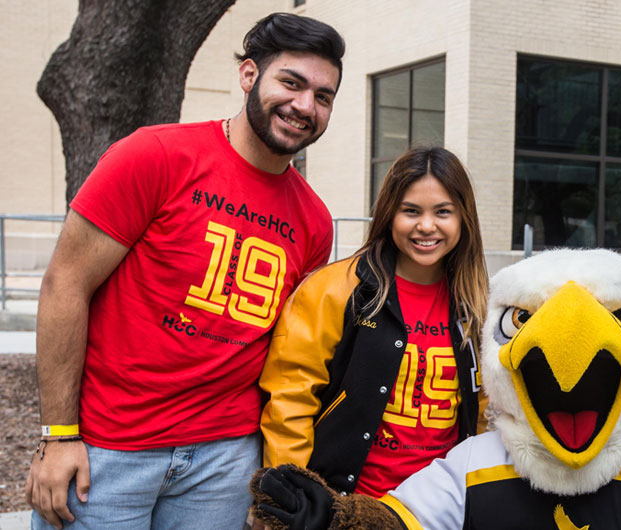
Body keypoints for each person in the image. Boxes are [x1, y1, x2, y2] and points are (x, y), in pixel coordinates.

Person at [24, 13, 344, 530]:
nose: (304, 106)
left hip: (225, 462)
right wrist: (58, 435)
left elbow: (291, 355)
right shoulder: (154, 156)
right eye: (291, 82)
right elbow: (65, 285)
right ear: (248, 76)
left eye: (323, 96)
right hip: (108, 451)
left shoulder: (314, 223)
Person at [257, 146, 488, 501]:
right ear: (389, 214)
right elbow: (291, 399)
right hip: (348, 505)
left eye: (443, 212)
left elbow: (489, 411)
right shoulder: (335, 289)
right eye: (411, 211)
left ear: (463, 218)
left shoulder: (479, 303)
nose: (426, 226)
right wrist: (292, 498)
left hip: (441, 508)